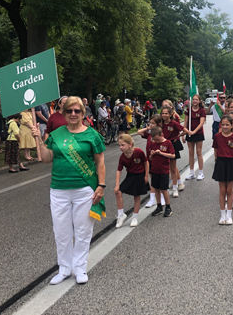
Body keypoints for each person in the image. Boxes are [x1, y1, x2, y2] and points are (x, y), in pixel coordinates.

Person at [32, 96, 106, 285]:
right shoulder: (56, 134)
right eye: (69, 111)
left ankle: (80, 268)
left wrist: (101, 185)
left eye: (77, 111)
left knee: (83, 231)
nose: (73, 114)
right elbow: (46, 159)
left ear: (83, 113)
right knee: (61, 231)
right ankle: (64, 268)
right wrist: (38, 140)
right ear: (64, 114)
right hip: (59, 189)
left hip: (84, 190)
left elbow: (100, 163)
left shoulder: (92, 135)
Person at [115, 134, 150, 228]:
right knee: (118, 192)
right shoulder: (122, 157)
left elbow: (146, 162)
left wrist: (146, 175)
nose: (120, 147)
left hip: (139, 175)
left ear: (130, 144)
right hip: (130, 175)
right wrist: (117, 184)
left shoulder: (138, 152)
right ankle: (121, 214)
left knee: (137, 196)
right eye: (119, 145)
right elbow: (119, 170)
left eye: (122, 145)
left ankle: (135, 217)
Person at [212, 115, 233, 225]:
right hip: (220, 163)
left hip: (231, 163)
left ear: (232, 125)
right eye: (223, 124)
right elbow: (215, 150)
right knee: (222, 191)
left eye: (227, 124)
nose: (225, 126)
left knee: (230, 191)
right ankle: (222, 215)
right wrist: (219, 160)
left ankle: (229, 216)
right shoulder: (217, 136)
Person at [138, 114, 166, 208]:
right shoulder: (149, 135)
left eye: (153, 123)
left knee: (160, 180)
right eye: (150, 123)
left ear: (158, 124)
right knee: (153, 180)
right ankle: (152, 198)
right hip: (149, 160)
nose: (150, 124)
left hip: (158, 161)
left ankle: (162, 197)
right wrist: (148, 128)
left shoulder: (159, 135)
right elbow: (139, 132)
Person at [161, 107, 189, 197]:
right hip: (163, 146)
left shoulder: (173, 123)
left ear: (170, 114)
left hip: (172, 146)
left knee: (173, 168)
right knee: (165, 168)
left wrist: (178, 136)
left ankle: (175, 188)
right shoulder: (160, 124)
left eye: (166, 113)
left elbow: (186, 130)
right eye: (163, 113)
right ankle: (164, 188)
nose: (164, 115)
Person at [147, 127, 174, 218]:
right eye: (154, 140)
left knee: (164, 189)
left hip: (164, 170)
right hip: (155, 170)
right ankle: (159, 206)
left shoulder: (168, 143)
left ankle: (168, 206)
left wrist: (161, 153)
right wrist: (152, 154)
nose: (156, 141)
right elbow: (150, 159)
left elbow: (173, 155)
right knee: (156, 188)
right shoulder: (153, 144)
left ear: (162, 135)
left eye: (157, 139)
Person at [183, 94, 206, 180]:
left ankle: (201, 172)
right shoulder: (188, 110)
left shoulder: (202, 111)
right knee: (190, 153)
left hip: (198, 133)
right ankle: (192, 172)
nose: (195, 101)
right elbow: (185, 122)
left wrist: (194, 131)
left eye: (196, 99)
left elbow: (201, 123)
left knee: (199, 152)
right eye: (194, 99)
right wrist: (184, 133)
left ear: (199, 101)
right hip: (189, 133)